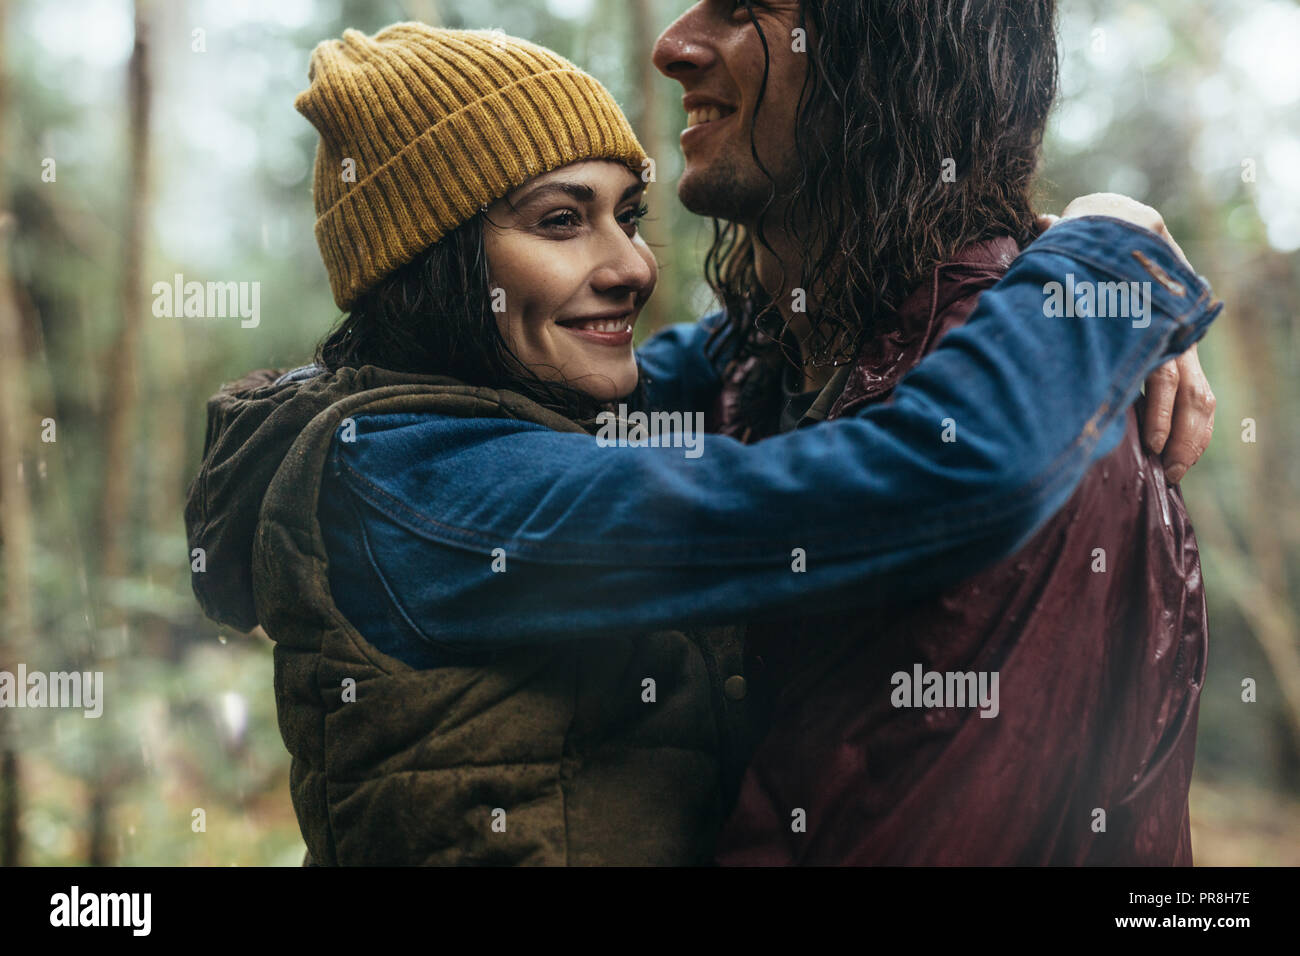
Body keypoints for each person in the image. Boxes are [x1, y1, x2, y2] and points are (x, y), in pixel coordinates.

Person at [184, 23, 1219, 865]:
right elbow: (939, 471)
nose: (630, 265)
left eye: (627, 213)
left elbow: (759, 335)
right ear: (435, 266)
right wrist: (1107, 261)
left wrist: (1050, 258)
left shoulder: (502, 405)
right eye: (560, 221)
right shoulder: (421, 484)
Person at [647, 0, 1214, 863]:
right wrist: (1107, 249)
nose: (672, 47)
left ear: (888, 54)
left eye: (742, 7)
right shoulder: (752, 369)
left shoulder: (1039, 425)